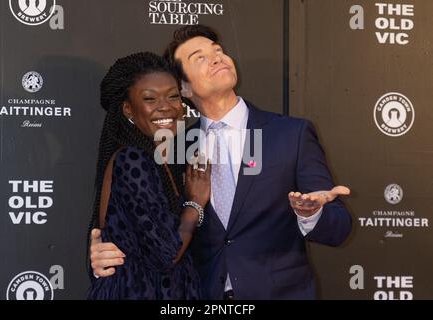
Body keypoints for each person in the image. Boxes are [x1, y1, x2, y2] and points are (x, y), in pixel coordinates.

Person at [89, 25, 352, 300]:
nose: (217, 58)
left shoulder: (291, 134)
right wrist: (103, 257)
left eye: (218, 51)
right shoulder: (171, 148)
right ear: (184, 88)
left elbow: (339, 228)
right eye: (199, 57)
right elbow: (150, 235)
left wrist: (312, 214)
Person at [86, 52, 211, 299]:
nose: (166, 106)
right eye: (150, 98)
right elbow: (167, 253)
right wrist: (195, 204)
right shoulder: (133, 158)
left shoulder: (163, 160)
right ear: (128, 110)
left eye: (173, 96)